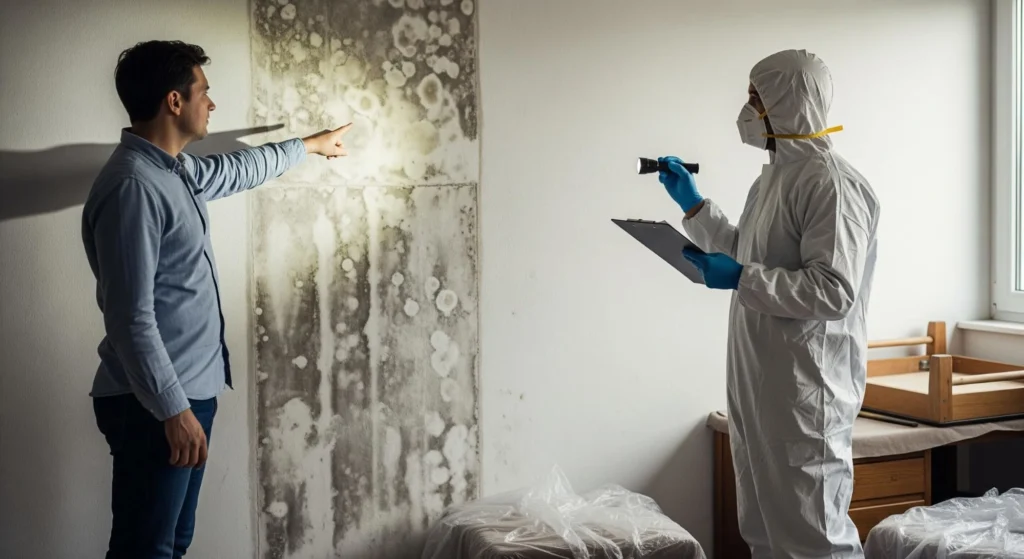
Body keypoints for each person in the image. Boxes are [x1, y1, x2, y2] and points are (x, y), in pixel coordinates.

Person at [80, 40, 352, 559]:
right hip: (156, 405)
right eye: (204, 91)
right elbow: (130, 319)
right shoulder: (132, 187)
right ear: (174, 102)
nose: (212, 103)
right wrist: (172, 408)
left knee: (171, 544)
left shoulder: (173, 172)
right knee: (147, 550)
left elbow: (236, 170)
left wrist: (311, 146)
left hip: (185, 395)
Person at [658, 49, 880, 558]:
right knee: (764, 532)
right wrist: (693, 205)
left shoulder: (833, 185)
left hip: (807, 390)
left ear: (788, 100)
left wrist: (741, 277)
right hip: (762, 386)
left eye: (756, 98)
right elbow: (747, 255)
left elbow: (833, 290)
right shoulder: (772, 179)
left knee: (813, 540)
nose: (747, 109)